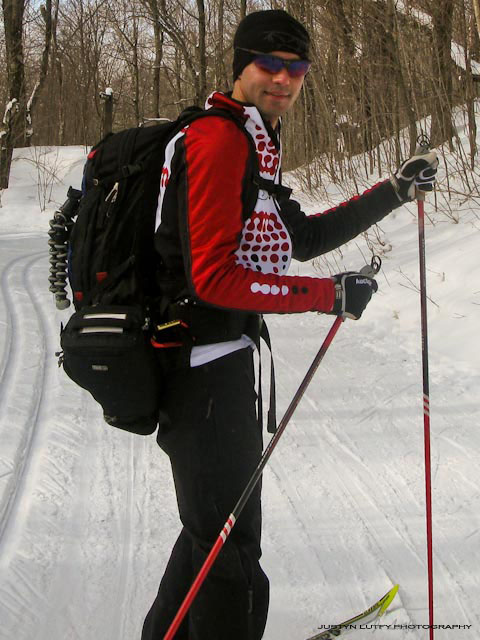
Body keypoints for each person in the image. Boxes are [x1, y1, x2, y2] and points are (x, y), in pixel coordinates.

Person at [142, 9, 438, 640]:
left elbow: (300, 237)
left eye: (296, 66)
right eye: (268, 64)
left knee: (211, 537)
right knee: (231, 559)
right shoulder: (220, 140)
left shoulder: (254, 141)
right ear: (240, 66)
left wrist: (393, 189)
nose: (283, 78)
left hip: (217, 361)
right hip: (198, 368)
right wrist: (327, 295)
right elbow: (212, 278)